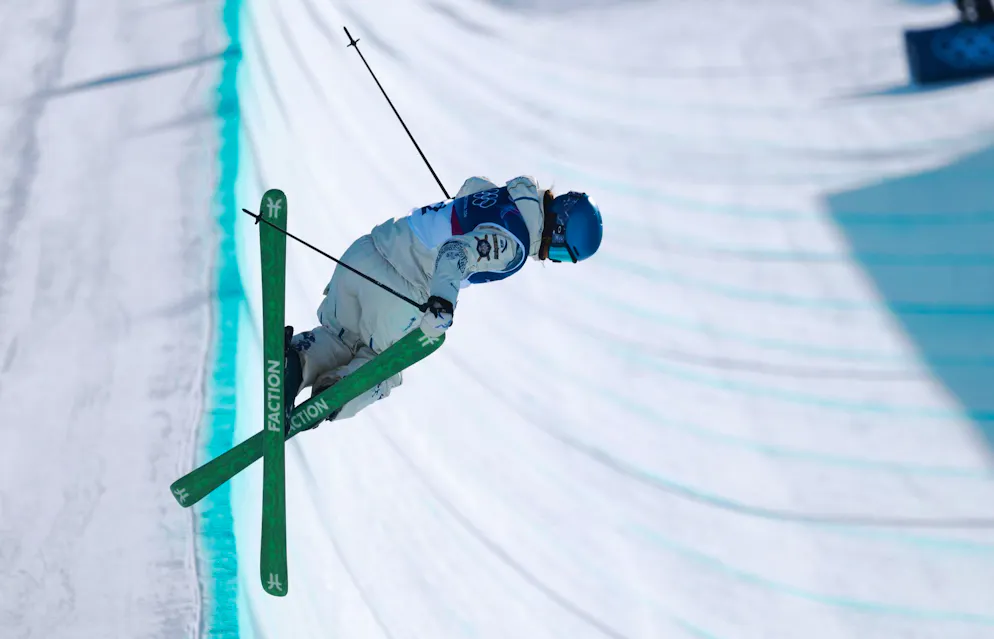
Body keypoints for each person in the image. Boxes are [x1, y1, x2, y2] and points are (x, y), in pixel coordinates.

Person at [282, 175, 604, 425]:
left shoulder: (507, 195)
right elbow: (455, 252)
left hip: (362, 255)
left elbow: (471, 187)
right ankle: (334, 394)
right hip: (402, 289)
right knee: (382, 367)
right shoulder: (514, 246)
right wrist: (443, 304)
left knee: (338, 337)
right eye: (561, 253)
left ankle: (294, 363)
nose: (551, 258)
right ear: (558, 230)